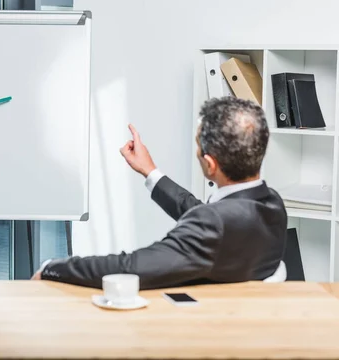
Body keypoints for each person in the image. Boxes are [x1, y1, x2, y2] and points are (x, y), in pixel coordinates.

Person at [33, 96, 287, 290]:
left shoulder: (213, 225)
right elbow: (209, 217)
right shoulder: (271, 204)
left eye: (198, 147)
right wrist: (150, 172)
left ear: (210, 165)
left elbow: (132, 267)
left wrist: (53, 268)